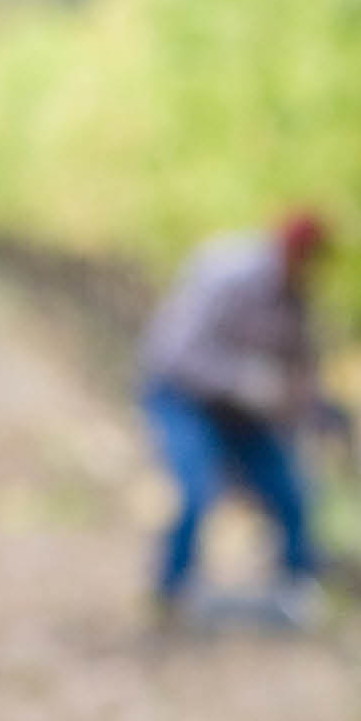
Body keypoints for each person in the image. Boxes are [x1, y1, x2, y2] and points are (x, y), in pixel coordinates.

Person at [138, 211, 329, 626]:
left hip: (242, 410)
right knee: (193, 489)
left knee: (291, 490)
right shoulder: (227, 274)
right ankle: (171, 594)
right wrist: (240, 378)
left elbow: (300, 371)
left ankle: (296, 589)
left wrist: (306, 411)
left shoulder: (300, 298)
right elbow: (176, 353)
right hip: (182, 394)